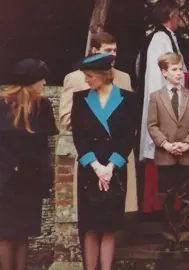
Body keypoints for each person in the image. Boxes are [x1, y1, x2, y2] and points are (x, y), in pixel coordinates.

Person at [58, 32, 138, 215]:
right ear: (94, 51)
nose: (113, 55)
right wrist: (93, 119)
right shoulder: (75, 78)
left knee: (114, 215)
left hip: (115, 156)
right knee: (91, 217)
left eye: (115, 50)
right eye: (108, 50)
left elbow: (128, 120)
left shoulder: (124, 77)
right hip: (91, 152)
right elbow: (65, 118)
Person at [70, 53, 137, 270]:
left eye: (89, 76)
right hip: (90, 169)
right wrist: (97, 167)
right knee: (90, 226)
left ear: (103, 74)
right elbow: (79, 136)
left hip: (114, 169)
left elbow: (129, 136)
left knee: (109, 226)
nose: (86, 80)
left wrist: (110, 166)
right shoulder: (80, 99)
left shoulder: (127, 98)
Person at [0, 59, 58, 270]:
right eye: (40, 79)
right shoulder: (2, 105)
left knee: (24, 234)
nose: (44, 83)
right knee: (5, 235)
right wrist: (10, 168)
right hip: (6, 180)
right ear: (30, 81)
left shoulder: (43, 106)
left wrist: (45, 177)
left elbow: (45, 146)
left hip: (30, 179)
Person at [147, 52, 189, 252]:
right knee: (167, 197)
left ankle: (187, 238)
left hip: (188, 154)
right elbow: (152, 125)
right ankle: (169, 238)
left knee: (188, 198)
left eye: (181, 69)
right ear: (164, 72)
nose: (179, 73)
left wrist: (188, 144)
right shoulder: (156, 97)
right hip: (166, 155)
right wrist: (166, 144)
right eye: (174, 70)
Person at [140, 0, 188, 162]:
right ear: (171, 16)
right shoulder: (159, 39)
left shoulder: (168, 37)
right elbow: (156, 76)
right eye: (177, 16)